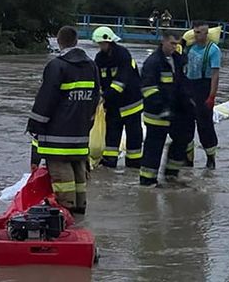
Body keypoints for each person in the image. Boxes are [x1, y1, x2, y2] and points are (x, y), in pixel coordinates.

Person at [27, 26, 100, 215]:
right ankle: (80, 211)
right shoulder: (91, 66)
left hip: (57, 135)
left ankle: (66, 213)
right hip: (80, 133)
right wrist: (87, 122)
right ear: (76, 41)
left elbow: (46, 99)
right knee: (78, 172)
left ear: (59, 41)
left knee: (62, 175)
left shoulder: (57, 66)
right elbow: (95, 98)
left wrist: (34, 125)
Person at [139, 31, 194, 187]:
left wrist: (189, 102)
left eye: (177, 44)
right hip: (157, 113)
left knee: (183, 139)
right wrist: (162, 108)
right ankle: (147, 180)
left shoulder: (177, 60)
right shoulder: (153, 62)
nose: (174, 47)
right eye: (171, 43)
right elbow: (148, 88)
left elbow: (181, 84)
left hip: (175, 111)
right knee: (154, 146)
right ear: (163, 41)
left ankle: (171, 174)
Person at [92, 26, 144, 168]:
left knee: (134, 137)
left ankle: (133, 165)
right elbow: (97, 80)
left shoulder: (123, 55)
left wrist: (104, 96)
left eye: (102, 43)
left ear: (109, 42)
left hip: (131, 104)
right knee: (111, 136)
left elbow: (121, 83)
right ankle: (109, 164)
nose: (100, 46)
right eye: (99, 44)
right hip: (113, 105)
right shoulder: (99, 58)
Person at [183, 20, 221, 169]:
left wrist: (212, 96)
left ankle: (210, 158)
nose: (198, 35)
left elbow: (215, 75)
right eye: (196, 32)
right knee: (186, 125)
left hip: (204, 87)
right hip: (189, 87)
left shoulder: (213, 50)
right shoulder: (189, 47)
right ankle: (188, 159)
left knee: (205, 126)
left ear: (207, 33)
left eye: (201, 32)